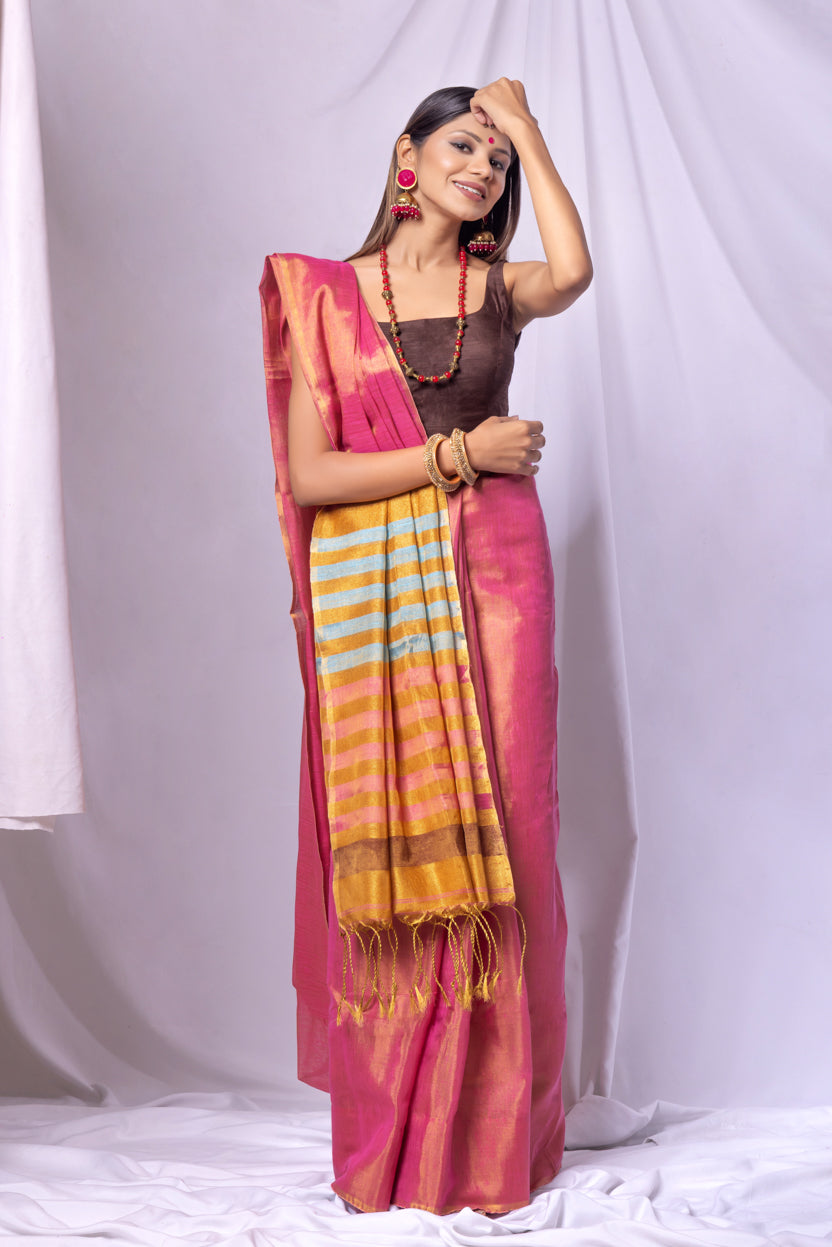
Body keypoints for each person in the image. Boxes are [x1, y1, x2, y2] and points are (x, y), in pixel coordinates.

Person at [259, 77, 593, 1217]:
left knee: (511, 826)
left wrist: (532, 132)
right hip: (385, 601)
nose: (484, 169)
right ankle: (402, 1123)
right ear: (407, 156)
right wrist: (462, 455)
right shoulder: (324, 298)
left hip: (499, 577)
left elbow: (578, 270)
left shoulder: (498, 286)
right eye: (467, 145)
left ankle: (500, 1128)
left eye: (496, 161)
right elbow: (313, 476)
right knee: (399, 835)